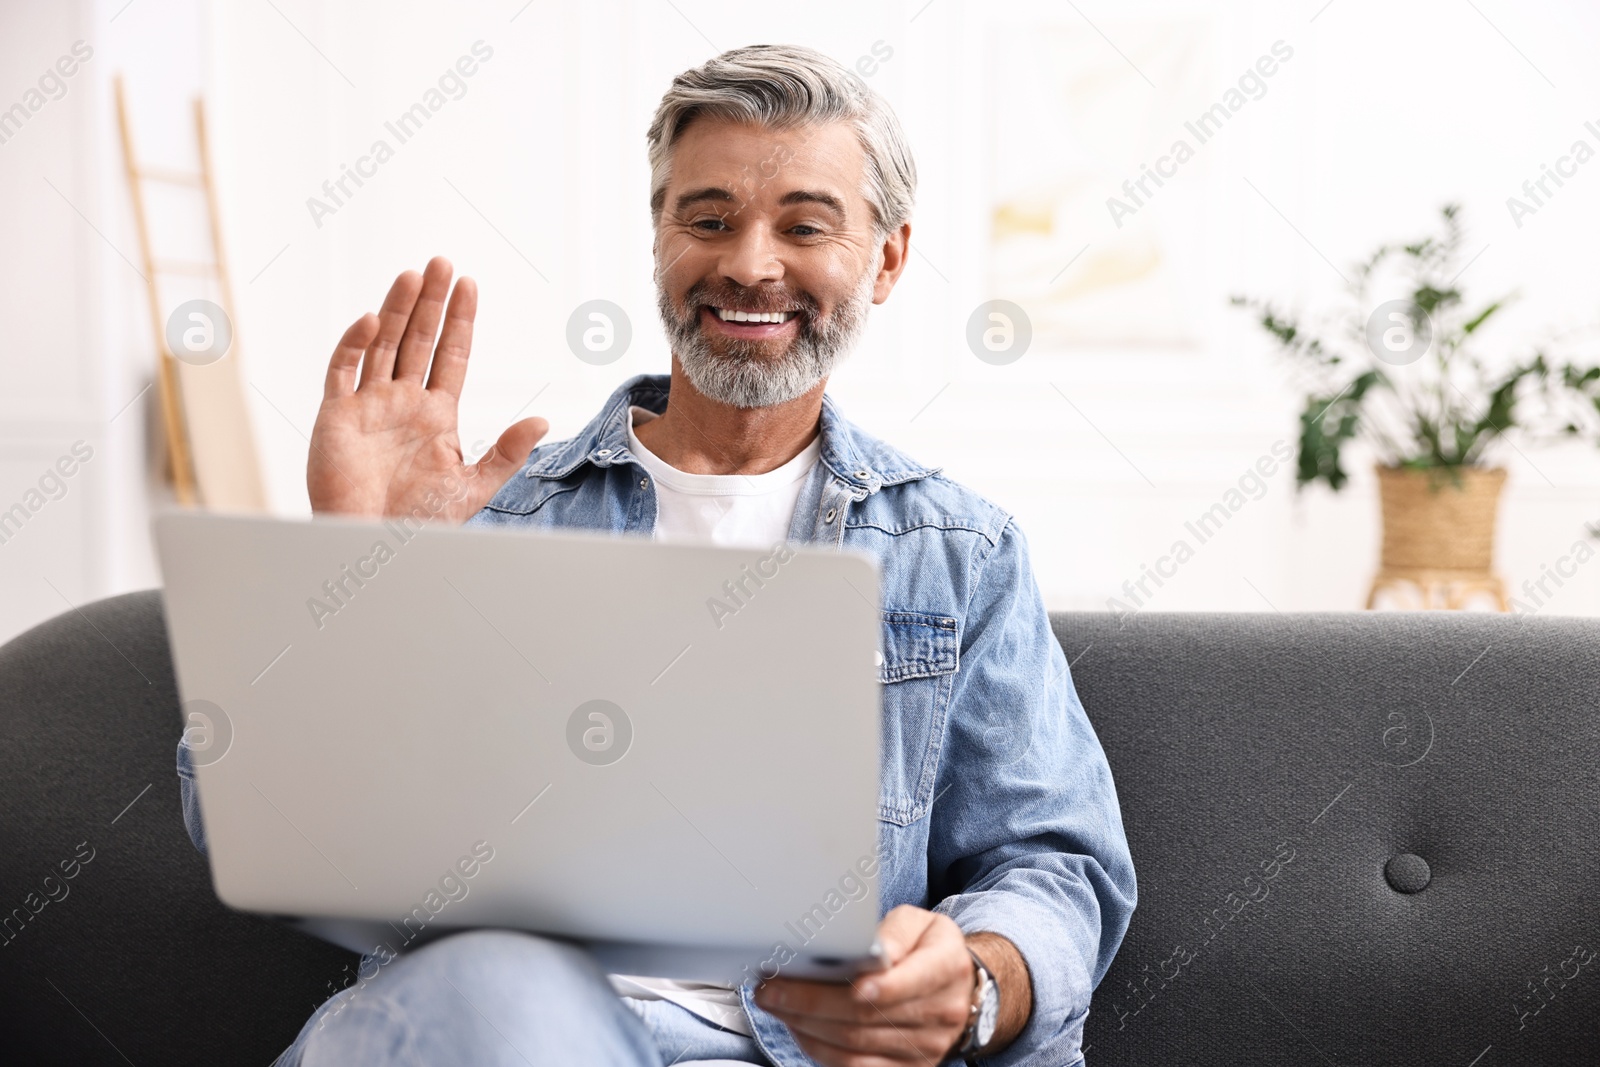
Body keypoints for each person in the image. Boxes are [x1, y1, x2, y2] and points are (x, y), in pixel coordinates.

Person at [178, 43, 1135, 1067]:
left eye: (804, 225)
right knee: (499, 987)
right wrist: (365, 572)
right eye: (708, 218)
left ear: (886, 259)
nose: (749, 264)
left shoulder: (961, 554)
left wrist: (974, 978)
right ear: (659, 238)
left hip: (796, 1050)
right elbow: (239, 817)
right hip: (495, 1032)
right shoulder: (492, 514)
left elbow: (1053, 863)